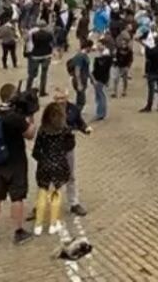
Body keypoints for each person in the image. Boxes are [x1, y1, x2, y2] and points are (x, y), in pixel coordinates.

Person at [0, 83, 36, 246]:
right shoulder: (15, 117)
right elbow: (30, 134)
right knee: (17, 197)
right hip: (15, 160)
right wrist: (31, 116)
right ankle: (18, 231)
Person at [31, 101, 75, 236]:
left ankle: (38, 225)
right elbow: (70, 146)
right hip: (59, 164)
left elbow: (36, 150)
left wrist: (42, 159)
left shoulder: (42, 130)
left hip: (44, 164)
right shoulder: (64, 130)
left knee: (42, 192)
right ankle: (53, 223)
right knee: (56, 193)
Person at [51, 88, 91, 217]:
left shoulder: (73, 109)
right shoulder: (51, 111)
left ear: (67, 98)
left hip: (68, 147)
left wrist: (85, 129)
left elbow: (79, 122)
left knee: (71, 176)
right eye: (57, 99)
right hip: (54, 149)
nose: (60, 101)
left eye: (62, 98)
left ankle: (74, 203)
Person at [139, 33, 158, 113]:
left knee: (151, 90)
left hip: (152, 71)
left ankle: (149, 106)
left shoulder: (151, 50)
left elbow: (148, 58)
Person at [26, 20, 55, 97]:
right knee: (44, 74)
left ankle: (27, 90)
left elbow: (32, 44)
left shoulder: (34, 34)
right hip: (46, 55)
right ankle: (42, 91)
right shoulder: (49, 34)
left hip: (36, 55)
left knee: (31, 74)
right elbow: (52, 44)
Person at [90, 39, 112, 121]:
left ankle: (100, 113)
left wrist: (93, 77)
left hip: (100, 79)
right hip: (101, 78)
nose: (98, 46)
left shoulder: (104, 57)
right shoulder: (104, 56)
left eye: (99, 45)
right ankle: (101, 113)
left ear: (104, 45)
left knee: (100, 96)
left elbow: (100, 69)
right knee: (100, 96)